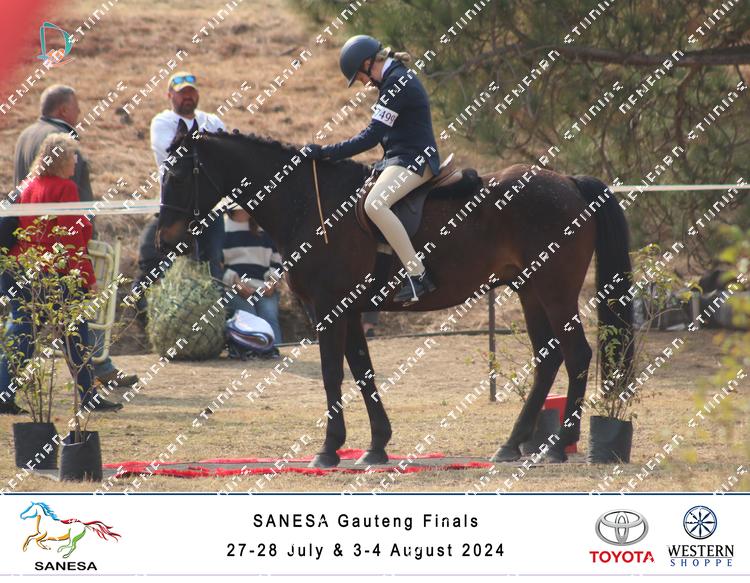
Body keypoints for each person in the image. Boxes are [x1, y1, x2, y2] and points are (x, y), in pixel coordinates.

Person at [11, 84, 138, 390]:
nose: (80, 114)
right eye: (77, 108)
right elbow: (74, 211)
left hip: (31, 249)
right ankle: (95, 373)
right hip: (61, 252)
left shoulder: (25, 136)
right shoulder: (63, 143)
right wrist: (84, 245)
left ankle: (15, 384)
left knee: (29, 328)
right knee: (72, 324)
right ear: (63, 109)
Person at [305, 35, 441, 304]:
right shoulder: (392, 81)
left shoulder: (397, 83)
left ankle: (418, 275)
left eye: (360, 77)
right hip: (398, 159)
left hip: (415, 160)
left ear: (368, 63)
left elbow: (370, 137)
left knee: (375, 204)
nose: (363, 83)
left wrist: (325, 152)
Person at [0, 134, 122, 414]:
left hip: (25, 270)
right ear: (62, 160)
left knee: (23, 334)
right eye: (72, 156)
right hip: (55, 274)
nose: (76, 161)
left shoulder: (28, 185)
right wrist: (88, 278)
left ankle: (4, 392)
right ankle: (88, 397)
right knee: (76, 336)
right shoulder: (65, 188)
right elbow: (71, 239)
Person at [150, 71, 226, 280]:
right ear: (170, 96)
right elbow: (176, 156)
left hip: (210, 208)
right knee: (173, 265)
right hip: (177, 206)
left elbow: (224, 158)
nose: (187, 97)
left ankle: (214, 302)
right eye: (182, 93)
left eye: (191, 92)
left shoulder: (212, 120)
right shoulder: (162, 122)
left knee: (212, 267)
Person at [222, 204, 283, 359]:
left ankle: (274, 354)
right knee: (250, 318)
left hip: (264, 288)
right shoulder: (222, 228)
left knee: (269, 316)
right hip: (234, 289)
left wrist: (272, 281)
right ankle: (254, 354)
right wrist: (234, 282)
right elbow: (217, 265)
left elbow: (278, 259)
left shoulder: (265, 227)